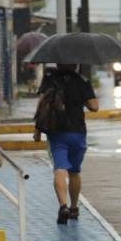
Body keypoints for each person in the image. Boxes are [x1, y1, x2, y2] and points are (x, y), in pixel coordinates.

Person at [34, 64, 98, 224]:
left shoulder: (50, 78)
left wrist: (37, 129)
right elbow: (94, 107)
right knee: (74, 172)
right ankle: (74, 208)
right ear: (76, 63)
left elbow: (41, 103)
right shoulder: (82, 80)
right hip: (77, 132)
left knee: (59, 169)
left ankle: (63, 206)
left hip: (56, 132)